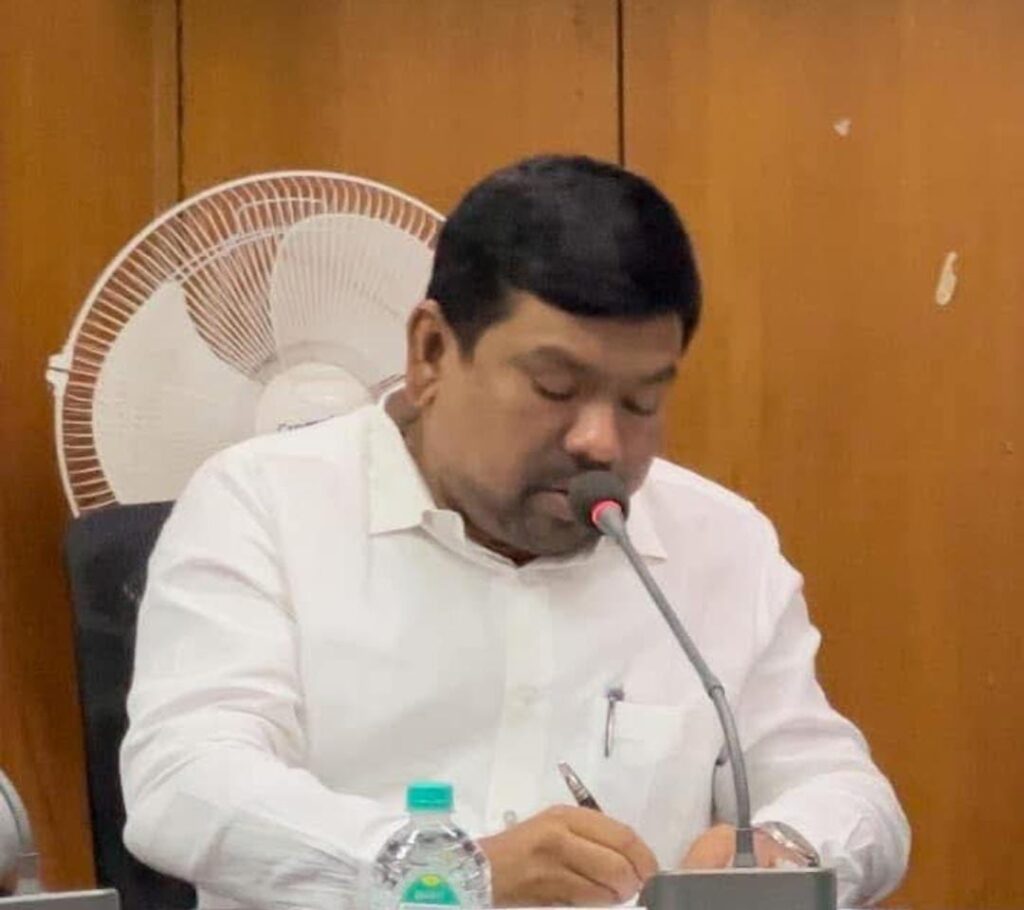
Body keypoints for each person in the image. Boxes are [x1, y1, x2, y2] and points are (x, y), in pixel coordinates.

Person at [121, 155, 909, 909]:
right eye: (555, 388)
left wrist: (784, 848)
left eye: (640, 403)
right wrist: (444, 876)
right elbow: (186, 781)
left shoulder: (720, 543)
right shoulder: (264, 504)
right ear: (431, 352)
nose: (600, 442)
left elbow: (844, 789)